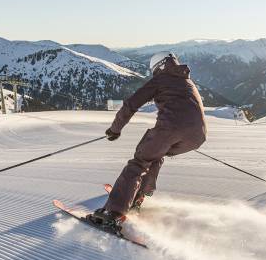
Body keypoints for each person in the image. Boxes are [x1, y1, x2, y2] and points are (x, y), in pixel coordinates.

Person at [89, 51, 207, 228]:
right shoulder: (187, 81)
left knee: (139, 163)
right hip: (198, 137)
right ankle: (138, 197)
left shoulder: (160, 80)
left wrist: (115, 130)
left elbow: (131, 104)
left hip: (171, 130)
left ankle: (113, 214)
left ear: (159, 67)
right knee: (155, 155)